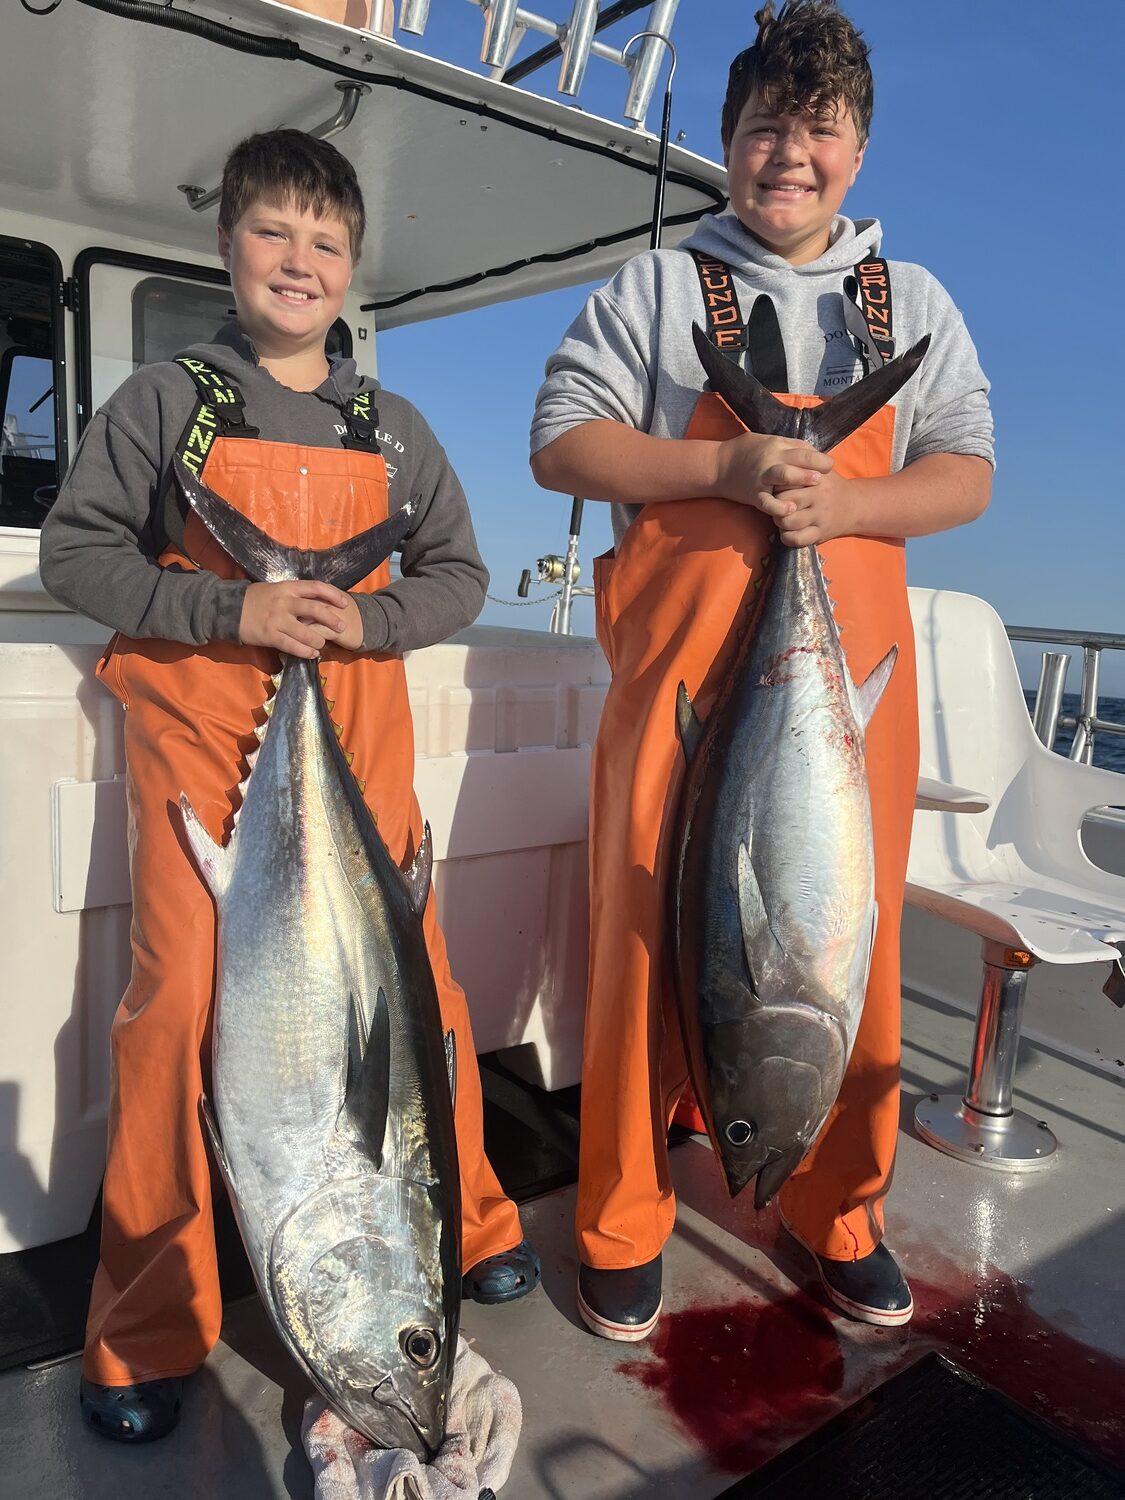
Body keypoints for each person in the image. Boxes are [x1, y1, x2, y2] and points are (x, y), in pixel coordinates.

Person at [39, 129, 540, 1443]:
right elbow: (78, 553)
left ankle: (466, 1223)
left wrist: (363, 629)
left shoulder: (396, 427)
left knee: (419, 1003)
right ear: (227, 246)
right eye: (273, 233)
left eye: (324, 242)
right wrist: (235, 607)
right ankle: (148, 1321)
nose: (298, 262)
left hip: (354, 749)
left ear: (352, 263)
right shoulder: (167, 400)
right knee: (173, 1022)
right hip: (209, 757)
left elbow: (461, 577)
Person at [530, 0, 993, 1343]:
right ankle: (622, 1218)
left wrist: (842, 509)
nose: (787, 155)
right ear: (728, 140)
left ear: (858, 150)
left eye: (819, 131)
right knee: (635, 950)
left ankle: (835, 1211)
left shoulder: (914, 304)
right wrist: (722, 469)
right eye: (763, 130)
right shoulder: (660, 289)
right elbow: (563, 445)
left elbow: (962, 473)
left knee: (851, 951)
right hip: (673, 694)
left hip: (842, 705)